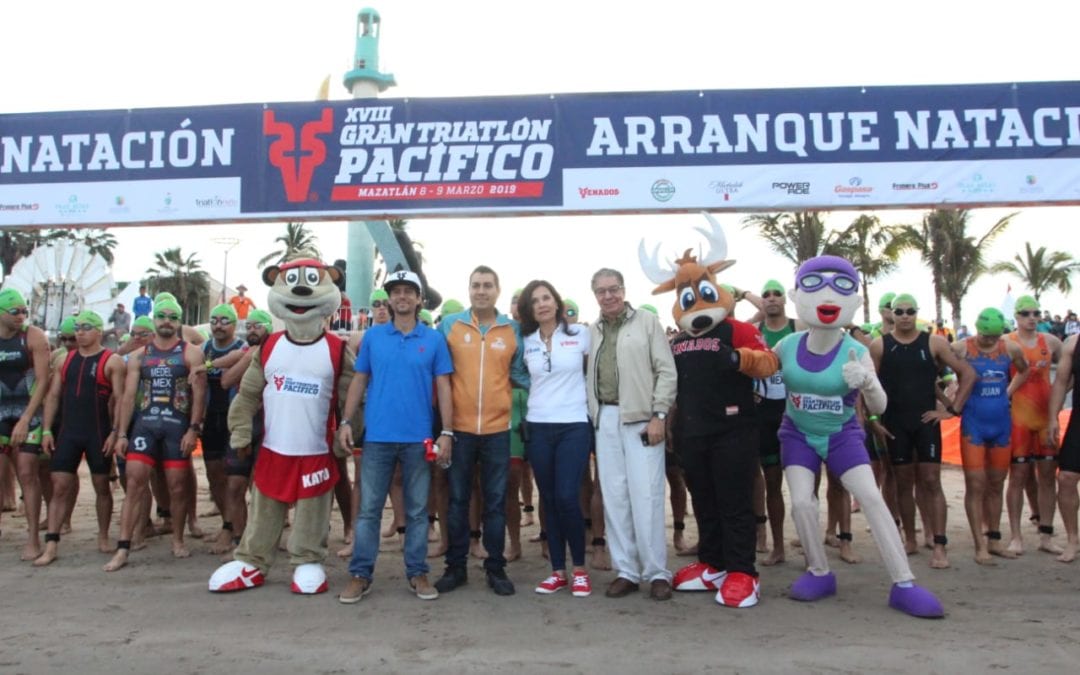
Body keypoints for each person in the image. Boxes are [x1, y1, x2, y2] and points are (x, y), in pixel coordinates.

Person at [776, 255, 944, 618]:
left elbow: (880, 406)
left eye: (839, 287)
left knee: (871, 498)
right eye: (814, 285)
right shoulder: (787, 346)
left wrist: (867, 382)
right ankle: (819, 571)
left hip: (841, 435)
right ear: (798, 294)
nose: (826, 296)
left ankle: (904, 582)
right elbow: (765, 379)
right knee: (802, 503)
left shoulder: (857, 350)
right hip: (798, 434)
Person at [338, 270, 453, 603]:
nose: (402, 297)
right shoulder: (373, 337)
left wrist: (446, 431)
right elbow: (359, 380)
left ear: (419, 299)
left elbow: (444, 386)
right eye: (396, 291)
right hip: (377, 438)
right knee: (370, 511)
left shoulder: (433, 340)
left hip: (419, 439)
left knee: (417, 511)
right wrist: (347, 421)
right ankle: (360, 574)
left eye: (409, 292)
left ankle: (417, 573)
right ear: (390, 299)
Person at [434, 265, 528, 597]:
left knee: (495, 502)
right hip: (458, 430)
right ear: (469, 289)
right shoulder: (450, 325)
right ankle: (455, 567)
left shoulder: (512, 329)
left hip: (498, 430)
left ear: (498, 291)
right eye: (476, 285)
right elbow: (439, 375)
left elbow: (524, 375)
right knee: (458, 500)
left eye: (488, 285)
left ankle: (495, 568)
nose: (481, 291)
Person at [585, 268, 677, 601]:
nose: (608, 296)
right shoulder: (592, 331)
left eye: (613, 289)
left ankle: (656, 572)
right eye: (601, 291)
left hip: (641, 418)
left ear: (623, 290)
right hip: (606, 418)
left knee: (647, 495)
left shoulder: (647, 323)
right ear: (594, 294)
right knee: (615, 496)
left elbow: (666, 370)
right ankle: (627, 571)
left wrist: (659, 415)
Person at [870, 293, 974, 570]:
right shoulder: (880, 345)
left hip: (925, 422)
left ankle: (939, 544)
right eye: (900, 311)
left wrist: (952, 411)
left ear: (917, 313)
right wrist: (872, 419)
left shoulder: (934, 342)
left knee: (930, 480)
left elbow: (968, 373)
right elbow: (866, 386)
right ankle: (910, 538)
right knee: (903, 482)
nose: (905, 316)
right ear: (891, 314)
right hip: (894, 423)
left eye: (910, 311)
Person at [105, 298, 207, 571]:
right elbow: (127, 397)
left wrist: (193, 429)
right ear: (154, 321)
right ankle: (123, 547)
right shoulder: (140, 355)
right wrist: (122, 433)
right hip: (145, 425)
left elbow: (199, 395)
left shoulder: (191, 353)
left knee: (177, 486)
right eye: (161, 316)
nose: (166, 321)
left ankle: (177, 538)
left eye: (172, 317)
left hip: (176, 426)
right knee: (134, 482)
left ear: (179, 322)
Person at [517, 280, 594, 597]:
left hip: (574, 424)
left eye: (547, 297)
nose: (542, 304)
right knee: (547, 499)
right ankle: (557, 571)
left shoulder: (581, 335)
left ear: (557, 302)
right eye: (535, 300)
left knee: (566, 496)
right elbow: (516, 374)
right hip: (538, 426)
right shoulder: (525, 341)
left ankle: (579, 570)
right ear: (529, 309)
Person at [34, 310, 126, 565]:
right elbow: (52, 396)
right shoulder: (64, 360)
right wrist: (47, 429)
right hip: (69, 432)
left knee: (101, 487)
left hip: (97, 432)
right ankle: (51, 544)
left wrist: (115, 432)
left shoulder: (112, 361)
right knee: (59, 486)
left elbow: (119, 400)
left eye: (86, 327)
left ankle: (104, 535)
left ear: (98, 331)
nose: (80, 332)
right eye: (77, 327)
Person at [951, 308, 1028, 564]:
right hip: (973, 424)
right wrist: (950, 397)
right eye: (984, 336)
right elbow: (937, 368)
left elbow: (1023, 370)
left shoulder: (1011, 349)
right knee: (975, 484)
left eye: (993, 337)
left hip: (1001, 424)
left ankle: (994, 539)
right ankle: (979, 545)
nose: (988, 341)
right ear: (977, 329)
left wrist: (1008, 392)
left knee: (996, 483)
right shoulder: (962, 348)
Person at [1005, 295, 1064, 555]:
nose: (1032, 318)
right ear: (1016, 317)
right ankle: (1016, 536)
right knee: (1017, 476)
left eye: (1035, 313)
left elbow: (1066, 371)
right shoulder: (1007, 342)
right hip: (1017, 418)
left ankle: (1046, 534)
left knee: (1048, 476)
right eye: (1026, 313)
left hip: (1043, 417)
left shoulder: (1050, 342)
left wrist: (1061, 395)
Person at [0, 288, 51, 560]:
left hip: (28, 411)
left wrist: (25, 418)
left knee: (27, 473)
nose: (21, 316)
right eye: (15, 312)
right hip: (0, 412)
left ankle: (32, 537)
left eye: (24, 311)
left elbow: (42, 381)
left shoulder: (33, 336)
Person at [216, 309, 273, 553]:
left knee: (262, 488)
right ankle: (239, 540)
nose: (251, 330)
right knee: (234, 485)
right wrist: (249, 358)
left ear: (269, 328)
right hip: (242, 423)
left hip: (270, 427)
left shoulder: (277, 352)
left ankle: (263, 540)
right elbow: (226, 380)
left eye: (257, 326)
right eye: (248, 326)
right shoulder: (244, 353)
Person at [200, 304, 248, 553]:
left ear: (234, 324)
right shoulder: (204, 348)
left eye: (224, 321)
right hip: (212, 418)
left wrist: (207, 366)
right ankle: (226, 523)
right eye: (214, 320)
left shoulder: (242, 347)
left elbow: (240, 359)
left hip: (234, 418)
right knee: (214, 475)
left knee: (235, 480)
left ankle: (235, 529)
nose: (218, 325)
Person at [1048, 331, 1080, 563]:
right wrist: (1052, 418)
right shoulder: (1073, 343)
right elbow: (1060, 382)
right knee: (1066, 478)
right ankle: (1072, 541)